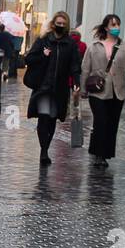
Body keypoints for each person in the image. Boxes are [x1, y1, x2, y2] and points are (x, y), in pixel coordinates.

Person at [81, 13, 125, 168]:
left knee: (111, 124)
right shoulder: (95, 46)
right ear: (106, 27)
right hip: (98, 90)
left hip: (117, 91)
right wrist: (82, 89)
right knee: (101, 121)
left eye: (118, 24)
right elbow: (85, 68)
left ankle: (105, 152)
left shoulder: (124, 46)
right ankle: (99, 155)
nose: (116, 28)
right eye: (113, 25)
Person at [23, 11, 80, 166]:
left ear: (66, 26)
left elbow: (75, 65)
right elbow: (28, 58)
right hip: (43, 87)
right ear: (53, 24)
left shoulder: (70, 44)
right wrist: (43, 55)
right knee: (43, 118)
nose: (60, 26)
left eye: (63, 24)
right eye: (58, 23)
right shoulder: (43, 40)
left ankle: (46, 147)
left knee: (52, 119)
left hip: (59, 89)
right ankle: (43, 151)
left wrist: (76, 82)